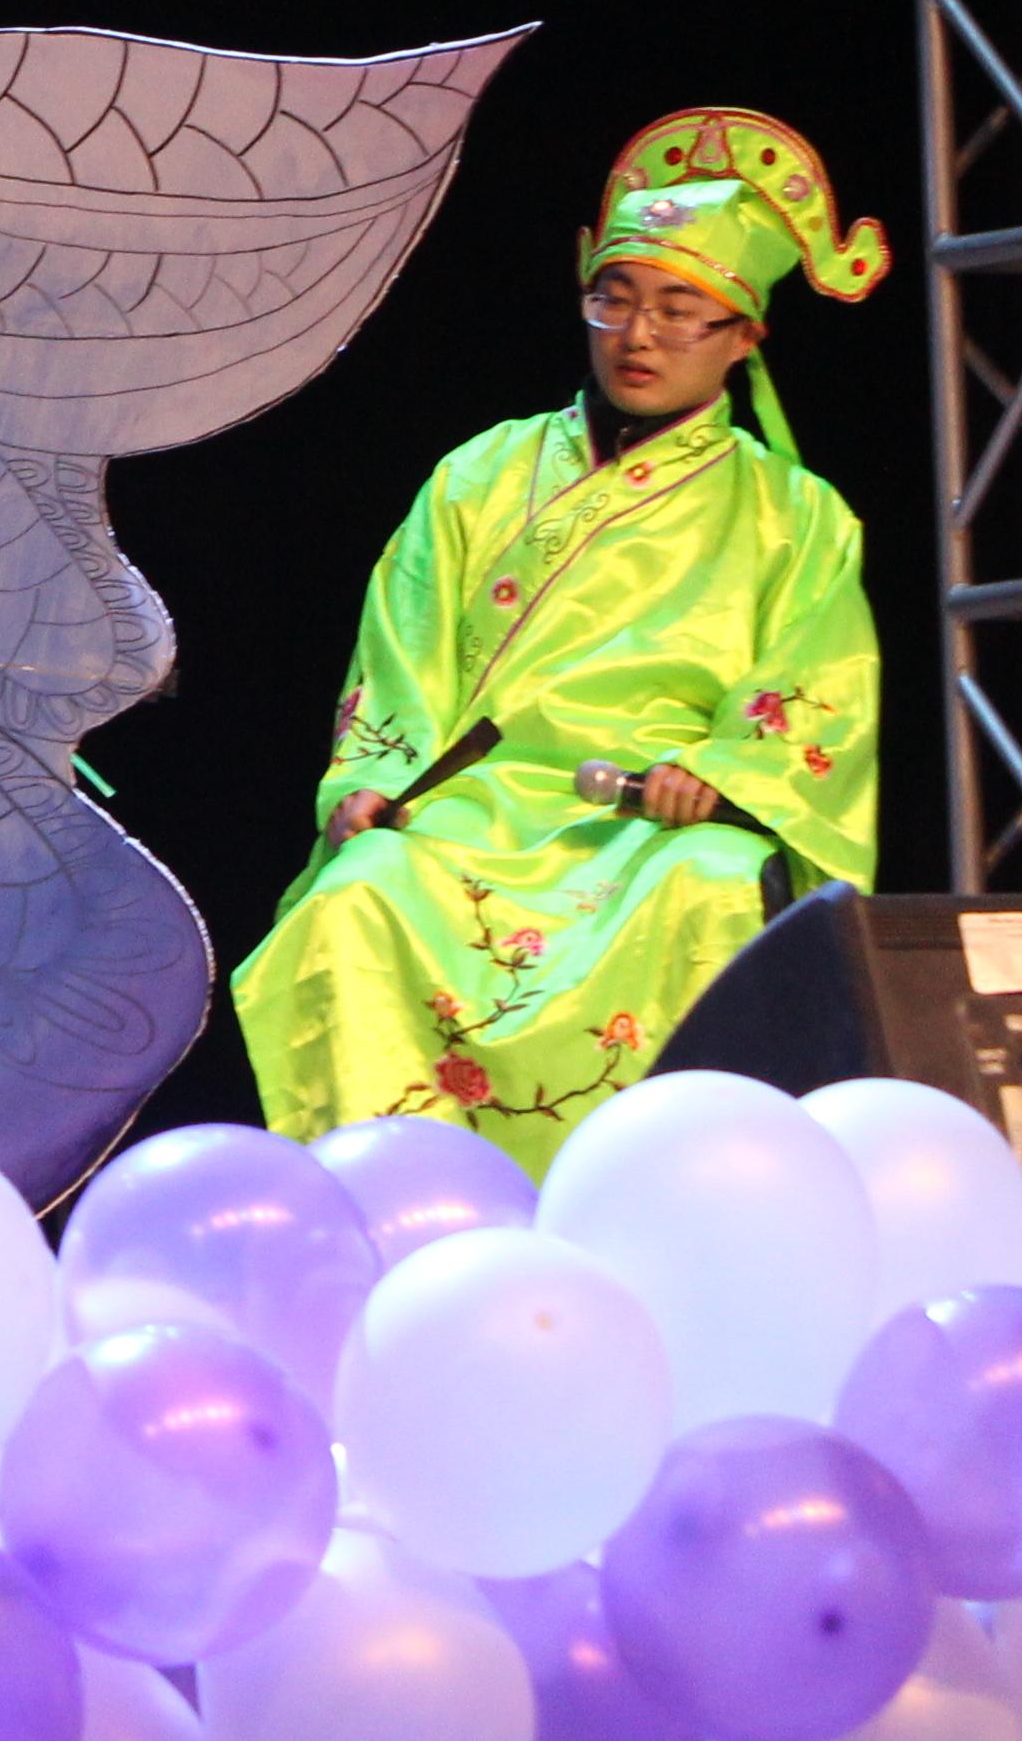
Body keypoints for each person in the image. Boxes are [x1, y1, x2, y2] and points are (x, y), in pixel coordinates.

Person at [229, 106, 887, 1168]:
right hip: (473, 809)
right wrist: (373, 779)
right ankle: (395, 1203)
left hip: (649, 829)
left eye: (680, 310)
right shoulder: (480, 474)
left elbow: (814, 689)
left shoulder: (795, 513)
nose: (638, 335)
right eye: (614, 299)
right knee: (358, 895)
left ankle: (680, 1197)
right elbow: (401, 654)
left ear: (744, 336)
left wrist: (720, 773)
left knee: (720, 884)